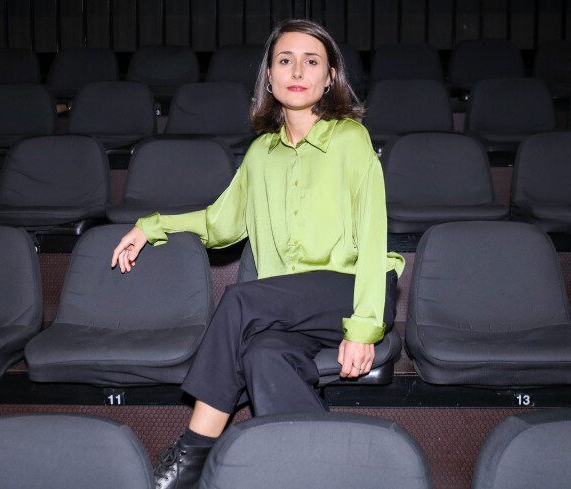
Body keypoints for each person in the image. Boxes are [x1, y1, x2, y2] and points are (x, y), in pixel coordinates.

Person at [111, 19, 404, 489]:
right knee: (265, 354)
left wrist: (364, 327)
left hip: (352, 292)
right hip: (287, 310)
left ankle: (193, 453)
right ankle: (320, 472)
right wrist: (152, 227)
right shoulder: (261, 153)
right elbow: (220, 224)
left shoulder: (350, 138)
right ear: (269, 76)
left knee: (240, 299)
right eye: (285, 60)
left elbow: (373, 235)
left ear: (330, 77)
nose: (297, 71)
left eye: (312, 61)